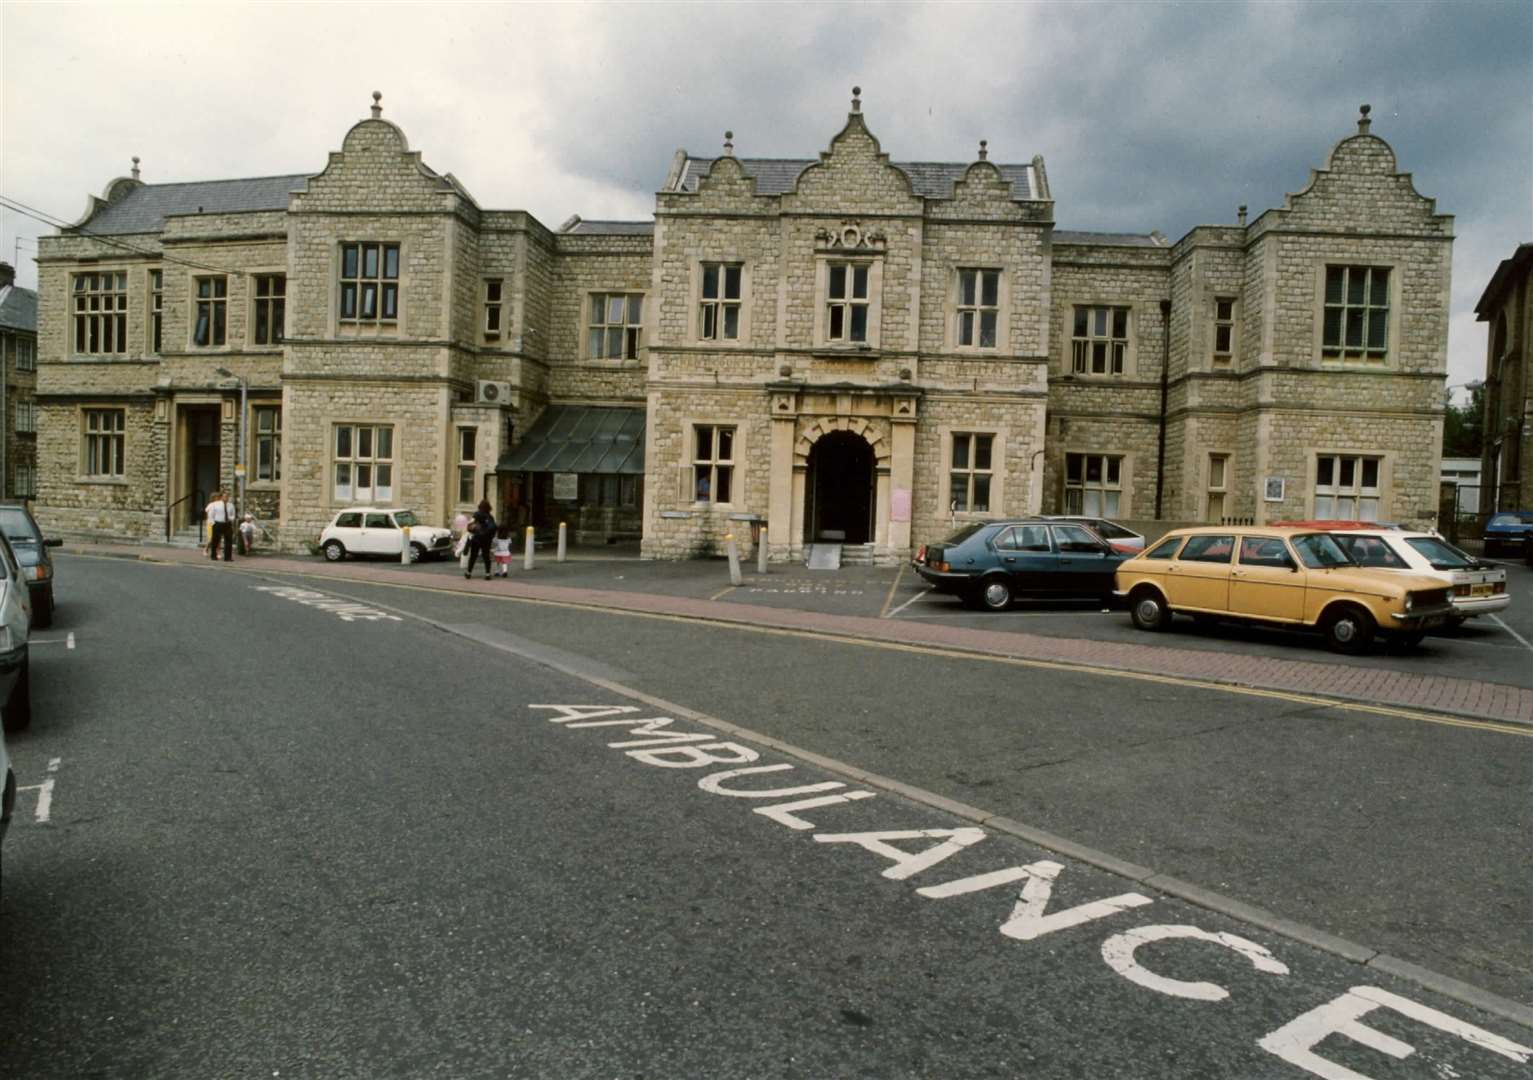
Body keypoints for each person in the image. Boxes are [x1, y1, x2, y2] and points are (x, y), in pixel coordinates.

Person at [464, 499, 496, 580]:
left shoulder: (477, 514)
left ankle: (468, 572)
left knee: (473, 556)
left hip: (477, 538)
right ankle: (487, 574)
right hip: (486, 539)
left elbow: (470, 524)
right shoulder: (490, 517)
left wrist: (472, 529)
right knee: (486, 556)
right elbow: (493, 528)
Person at [205, 489, 234, 561]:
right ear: (221, 497)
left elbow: (233, 515)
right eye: (224, 496)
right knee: (215, 540)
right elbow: (211, 514)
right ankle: (213, 556)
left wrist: (230, 518)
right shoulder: (215, 504)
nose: (226, 498)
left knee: (228, 541)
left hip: (227, 524)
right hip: (218, 523)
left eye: (227, 496)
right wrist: (213, 523)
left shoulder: (231, 505)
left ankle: (228, 557)